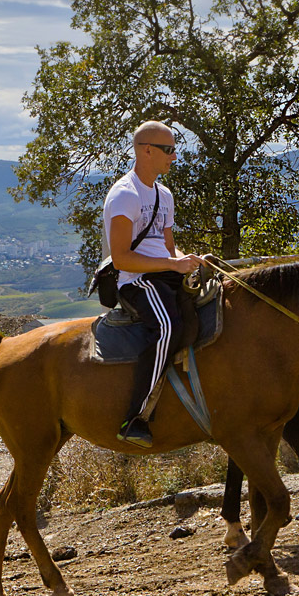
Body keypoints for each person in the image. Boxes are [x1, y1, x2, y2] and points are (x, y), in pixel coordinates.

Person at [103, 121, 203, 447]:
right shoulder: (124, 195)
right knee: (167, 328)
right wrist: (172, 264)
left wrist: (192, 260)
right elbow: (121, 259)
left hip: (164, 273)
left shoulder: (165, 194)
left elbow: (169, 247)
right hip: (137, 281)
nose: (174, 157)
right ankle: (136, 417)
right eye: (169, 150)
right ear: (147, 150)